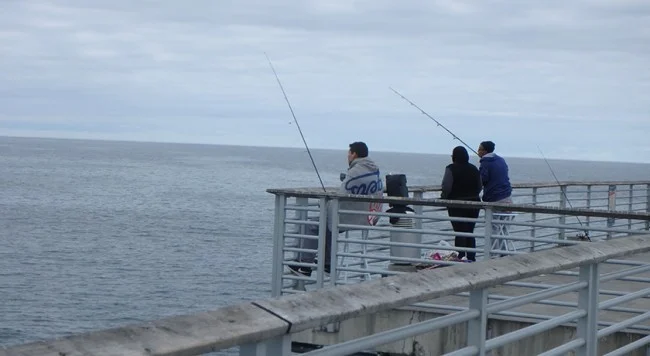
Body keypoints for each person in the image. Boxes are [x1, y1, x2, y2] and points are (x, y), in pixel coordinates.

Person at [290, 141, 383, 276]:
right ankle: (327, 264)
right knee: (328, 224)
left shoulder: (355, 171)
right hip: (369, 216)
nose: (347, 157)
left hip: (352, 217)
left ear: (354, 154)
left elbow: (342, 196)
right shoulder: (374, 170)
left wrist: (325, 204)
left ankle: (304, 265)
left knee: (311, 225)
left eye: (348, 154)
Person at [440, 146, 482, 261]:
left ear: (454, 156)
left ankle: (460, 256)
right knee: (469, 230)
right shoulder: (474, 168)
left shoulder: (451, 168)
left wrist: (444, 197)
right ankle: (471, 258)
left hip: (457, 204)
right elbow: (479, 186)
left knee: (459, 231)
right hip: (474, 204)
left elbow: (446, 186)